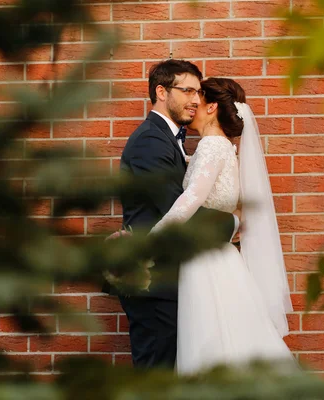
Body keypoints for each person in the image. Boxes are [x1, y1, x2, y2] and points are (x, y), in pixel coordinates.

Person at [149, 78, 295, 374]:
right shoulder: (226, 148)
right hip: (223, 258)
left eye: (197, 98)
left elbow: (191, 198)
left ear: (212, 106)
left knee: (210, 339)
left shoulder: (212, 146)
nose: (191, 105)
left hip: (206, 263)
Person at [117, 60, 239, 369]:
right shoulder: (150, 142)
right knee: (156, 377)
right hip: (153, 283)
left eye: (198, 92)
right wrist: (234, 223)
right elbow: (176, 208)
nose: (196, 100)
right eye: (187, 91)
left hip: (169, 282)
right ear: (161, 91)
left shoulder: (170, 141)